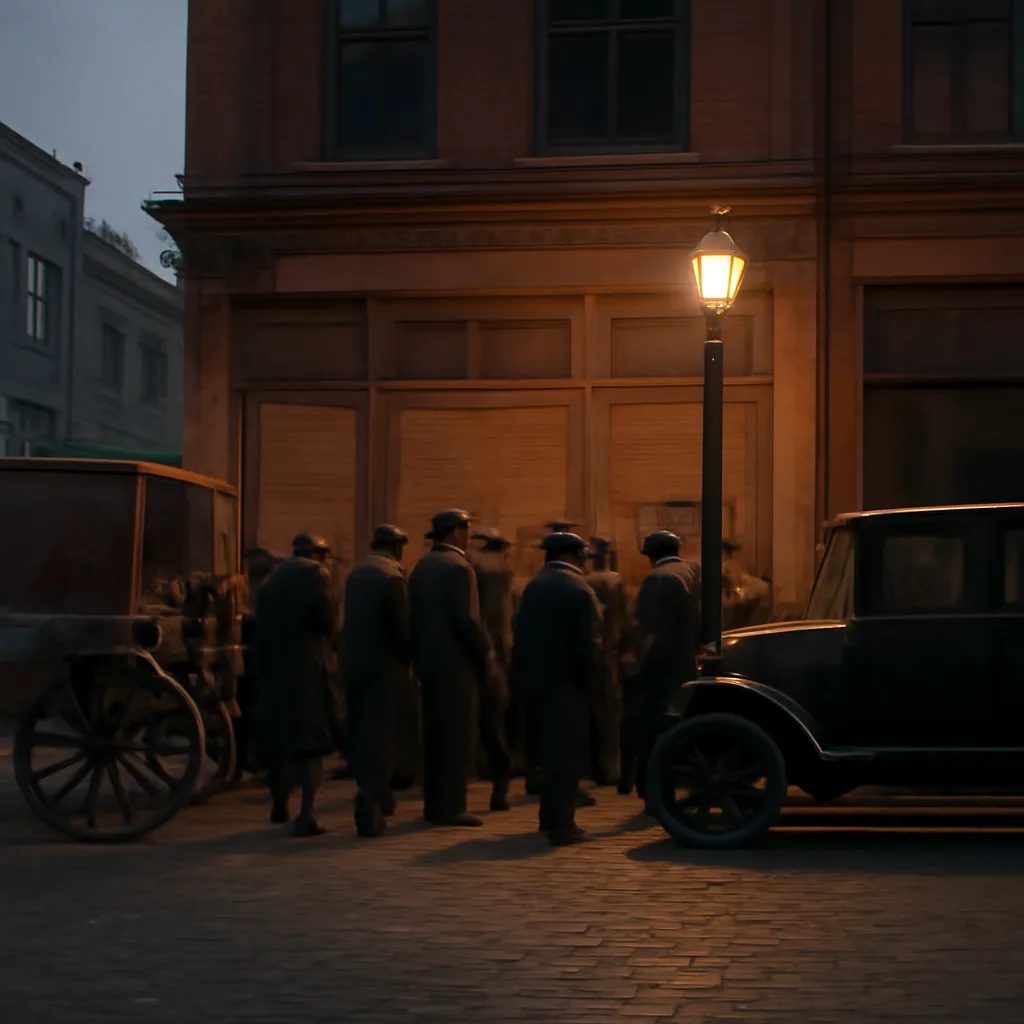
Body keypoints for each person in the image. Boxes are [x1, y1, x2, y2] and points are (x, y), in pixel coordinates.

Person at [512, 532, 602, 845]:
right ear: (575, 555)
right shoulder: (579, 589)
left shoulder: (534, 587)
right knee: (565, 757)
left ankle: (547, 817)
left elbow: (520, 636)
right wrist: (592, 685)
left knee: (548, 756)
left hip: (537, 683)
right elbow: (587, 647)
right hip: (569, 686)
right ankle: (562, 825)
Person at [408, 509, 494, 827]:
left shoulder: (422, 567)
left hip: (428, 665)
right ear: (456, 533)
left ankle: (434, 805)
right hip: (456, 667)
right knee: (458, 737)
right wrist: (486, 654)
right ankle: (453, 806)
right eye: (467, 528)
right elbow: (467, 620)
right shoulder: (460, 568)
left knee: (434, 737)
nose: (469, 534)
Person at [254, 532, 343, 837]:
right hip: (308, 668)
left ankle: (279, 804)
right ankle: (307, 813)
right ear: (318, 554)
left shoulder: (271, 579)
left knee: (282, 741)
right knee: (312, 745)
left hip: (276, 670)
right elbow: (326, 622)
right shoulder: (316, 575)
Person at [341, 524, 412, 838]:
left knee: (362, 731)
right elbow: (400, 630)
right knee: (382, 736)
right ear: (396, 548)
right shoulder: (392, 579)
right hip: (385, 668)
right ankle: (370, 805)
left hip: (355, 664)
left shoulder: (357, 574)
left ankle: (377, 796)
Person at [633, 530, 700, 811]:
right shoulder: (693, 572)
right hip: (689, 662)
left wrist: (639, 665)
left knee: (652, 728)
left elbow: (653, 632)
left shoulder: (659, 579)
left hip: (663, 667)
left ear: (650, 555)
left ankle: (656, 794)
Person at [469, 528, 514, 810]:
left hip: (476, 652)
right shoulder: (501, 571)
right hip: (495, 652)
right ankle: (500, 782)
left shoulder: (475, 567)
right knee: (494, 722)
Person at [585, 537, 627, 787]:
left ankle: (591, 766)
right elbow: (623, 619)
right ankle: (610, 767)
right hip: (610, 653)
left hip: (591, 652)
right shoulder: (615, 581)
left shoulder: (584, 580)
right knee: (611, 713)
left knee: (591, 711)